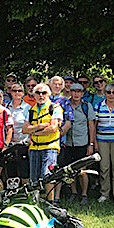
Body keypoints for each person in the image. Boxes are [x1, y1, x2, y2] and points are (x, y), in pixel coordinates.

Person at [22, 83, 63, 201]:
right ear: (34, 95)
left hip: (50, 147)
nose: (41, 95)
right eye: (38, 93)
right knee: (34, 178)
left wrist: (34, 131)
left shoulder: (55, 108)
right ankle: (36, 202)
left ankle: (50, 202)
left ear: (49, 94)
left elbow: (52, 128)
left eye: (44, 93)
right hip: (34, 148)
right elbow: (24, 129)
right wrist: (40, 126)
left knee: (48, 176)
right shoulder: (30, 110)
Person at [66, 83, 96, 206]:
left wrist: (91, 144)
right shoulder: (65, 105)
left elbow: (91, 125)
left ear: (82, 93)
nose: (76, 94)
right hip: (67, 143)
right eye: (74, 91)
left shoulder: (86, 106)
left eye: (79, 91)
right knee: (69, 170)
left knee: (82, 170)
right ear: (70, 92)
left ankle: (84, 194)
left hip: (82, 143)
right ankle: (74, 192)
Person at [49, 75, 75, 203]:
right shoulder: (44, 98)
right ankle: (46, 196)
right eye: (55, 84)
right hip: (43, 141)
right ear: (50, 85)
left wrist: (57, 135)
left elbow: (69, 122)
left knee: (57, 169)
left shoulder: (65, 101)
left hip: (59, 141)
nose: (57, 86)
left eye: (60, 84)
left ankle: (56, 197)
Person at [5, 83, 31, 183]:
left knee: (24, 170)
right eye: (14, 90)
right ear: (10, 92)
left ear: (23, 93)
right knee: (11, 170)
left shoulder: (27, 108)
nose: (17, 93)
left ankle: (25, 193)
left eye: (19, 91)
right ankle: (13, 194)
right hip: (10, 144)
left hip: (23, 143)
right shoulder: (6, 107)